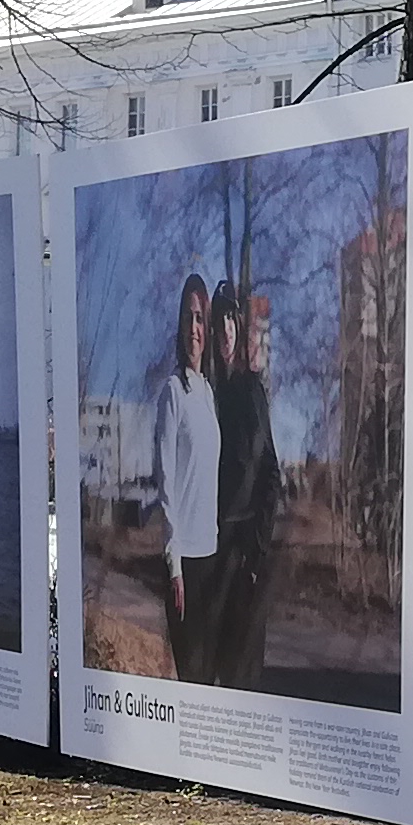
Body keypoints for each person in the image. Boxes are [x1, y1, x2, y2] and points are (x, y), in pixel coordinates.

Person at [206, 284, 284, 690]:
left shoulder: (250, 390)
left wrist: (255, 553)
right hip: (210, 559)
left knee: (242, 681)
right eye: (217, 323)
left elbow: (271, 473)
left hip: (243, 559)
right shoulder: (206, 396)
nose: (225, 332)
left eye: (230, 322)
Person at [155, 277, 220, 676]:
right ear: (179, 327)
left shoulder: (208, 394)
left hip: (211, 558)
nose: (194, 328)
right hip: (185, 567)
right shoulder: (172, 392)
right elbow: (166, 485)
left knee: (209, 681)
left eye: (200, 318)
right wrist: (174, 566)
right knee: (192, 682)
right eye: (188, 318)